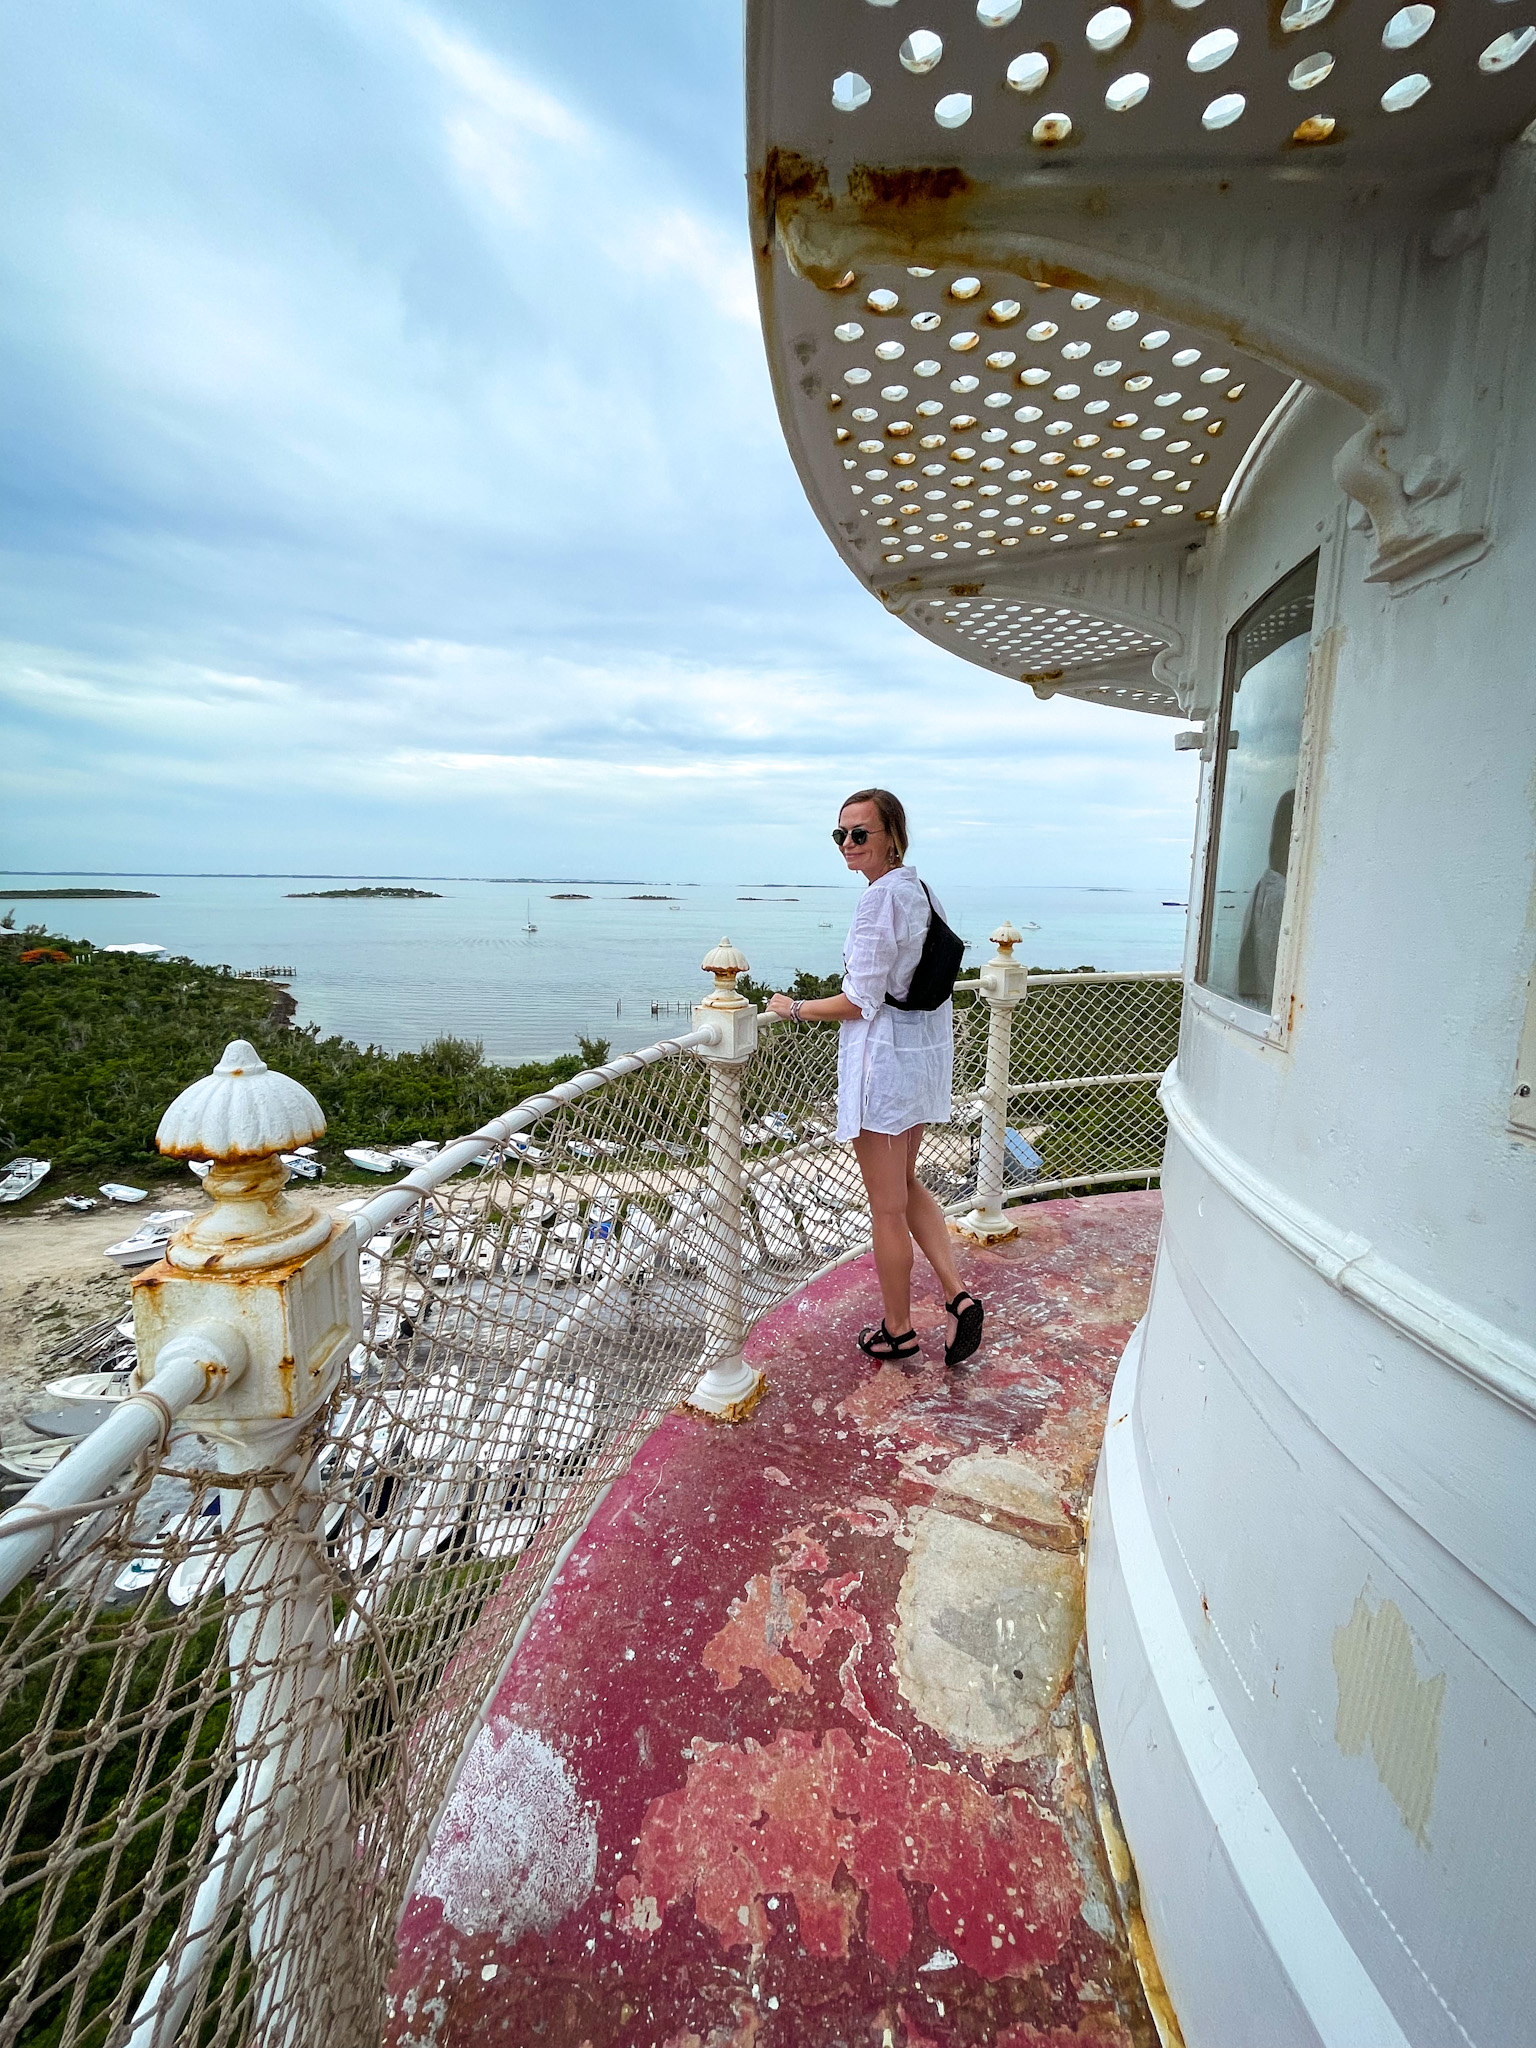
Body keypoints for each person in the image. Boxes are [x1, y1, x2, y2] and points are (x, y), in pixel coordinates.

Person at [766, 788, 983, 1369]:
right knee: (906, 1187)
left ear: (892, 836)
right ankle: (957, 1296)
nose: (847, 844)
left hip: (881, 1070)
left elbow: (860, 999)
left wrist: (793, 1008)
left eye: (860, 833)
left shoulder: (877, 901)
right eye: (840, 834)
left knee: (885, 1208)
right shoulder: (922, 890)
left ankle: (898, 1329)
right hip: (918, 1063)